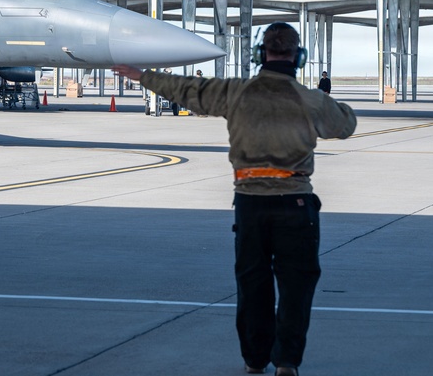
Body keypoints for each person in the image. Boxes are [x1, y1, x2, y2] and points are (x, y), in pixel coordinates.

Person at [112, 22, 356, 376]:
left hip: (250, 204)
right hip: (295, 204)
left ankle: (254, 360)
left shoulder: (236, 92)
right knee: (296, 287)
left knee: (252, 284)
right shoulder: (310, 99)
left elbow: (187, 89)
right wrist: (324, 98)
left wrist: (141, 75)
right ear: (297, 56)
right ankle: (287, 362)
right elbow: (345, 125)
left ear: (261, 55)